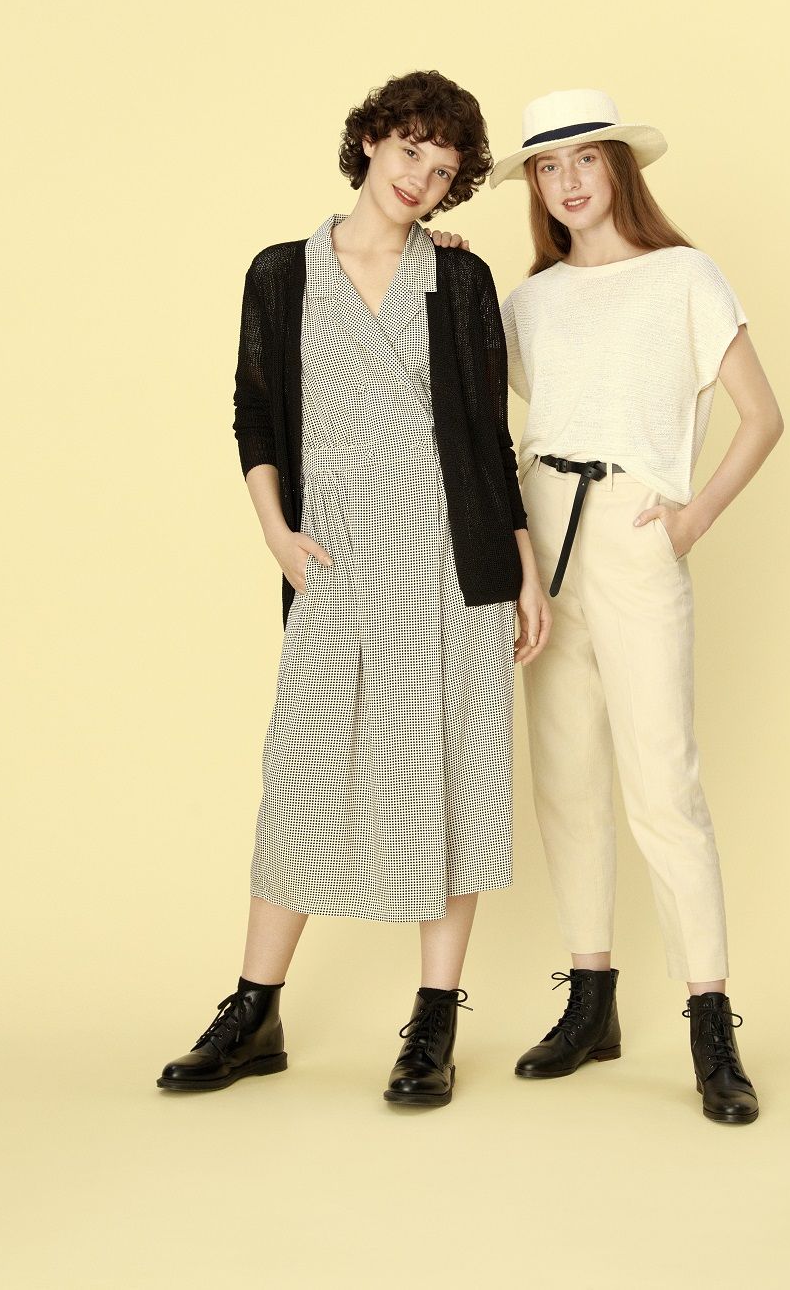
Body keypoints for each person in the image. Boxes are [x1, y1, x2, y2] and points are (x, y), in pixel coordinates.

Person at [157, 71, 549, 1108]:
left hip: (453, 558)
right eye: (411, 150)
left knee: (454, 775)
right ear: (372, 140)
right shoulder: (281, 273)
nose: (422, 178)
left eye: (445, 169)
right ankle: (254, 1012)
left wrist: (521, 567)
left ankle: (432, 1024)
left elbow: (487, 436)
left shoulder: (457, 279)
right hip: (334, 555)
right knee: (302, 770)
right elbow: (252, 412)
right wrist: (275, 532)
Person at [486, 87, 782, 1123]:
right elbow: (476, 412)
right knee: (565, 778)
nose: (566, 182)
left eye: (584, 160)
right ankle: (591, 1001)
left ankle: (710, 1021)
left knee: (664, 784)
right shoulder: (529, 301)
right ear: (534, 185)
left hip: (635, 530)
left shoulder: (683, 276)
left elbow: (761, 415)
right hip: (541, 539)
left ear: (617, 168)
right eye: (546, 167)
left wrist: (692, 519)